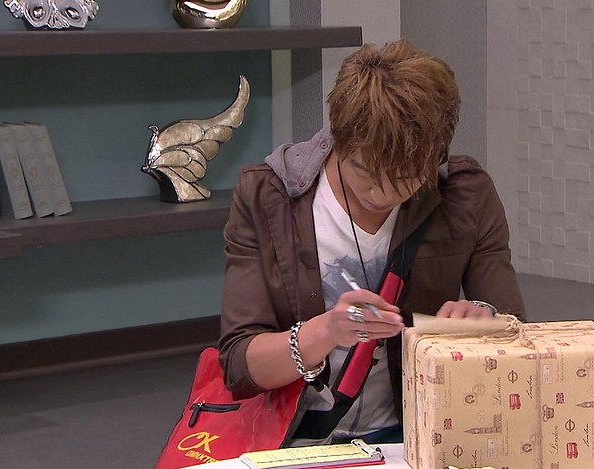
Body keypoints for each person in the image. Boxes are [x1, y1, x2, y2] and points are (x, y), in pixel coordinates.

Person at [218, 38, 525, 447]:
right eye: (364, 171)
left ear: (436, 156)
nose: (382, 193)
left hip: (418, 432)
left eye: (406, 176)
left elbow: (517, 330)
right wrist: (327, 330)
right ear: (337, 139)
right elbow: (241, 365)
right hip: (295, 439)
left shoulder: (465, 196)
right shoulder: (269, 198)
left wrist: (483, 320)